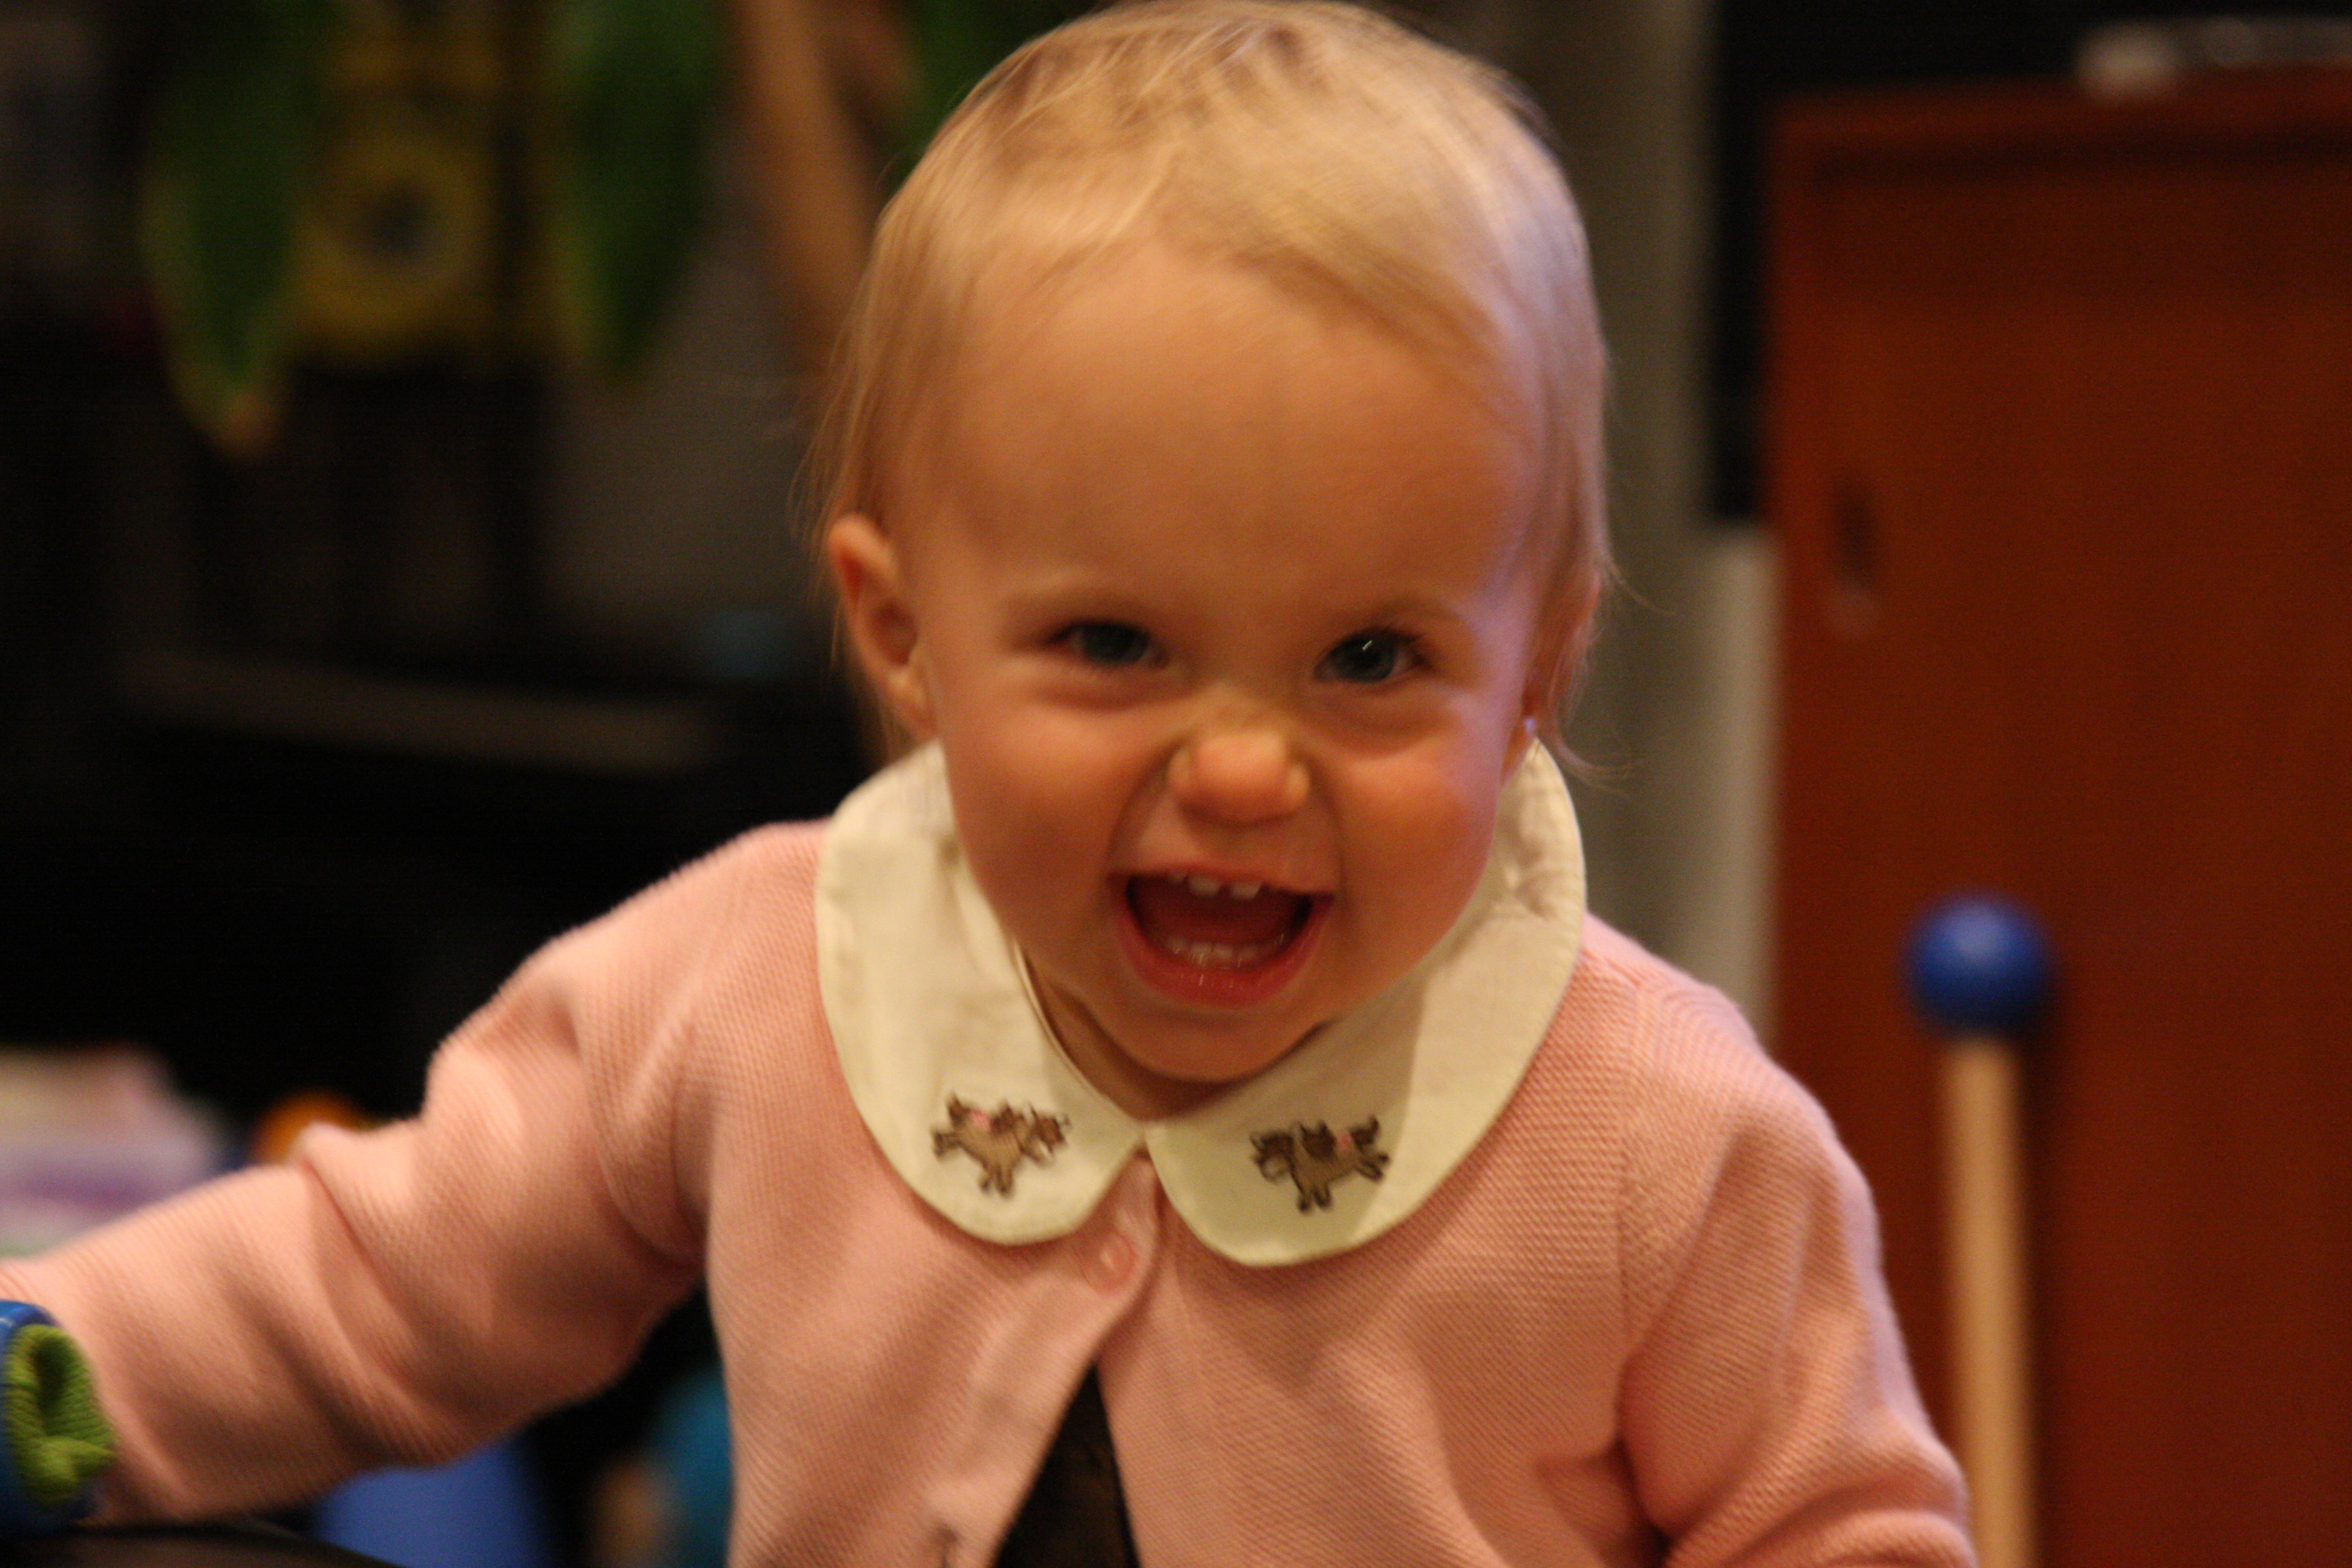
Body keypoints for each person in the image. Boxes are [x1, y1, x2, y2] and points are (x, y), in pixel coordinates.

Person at [0, 3, 1973, 1563]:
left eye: (1371, 662)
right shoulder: (764, 976)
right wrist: (47, 1382)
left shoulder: (1655, 1135)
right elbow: (385, 1278)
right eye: (1117, 645)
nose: (1241, 766)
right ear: (901, 635)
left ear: (1536, 667)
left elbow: (1839, 1527)